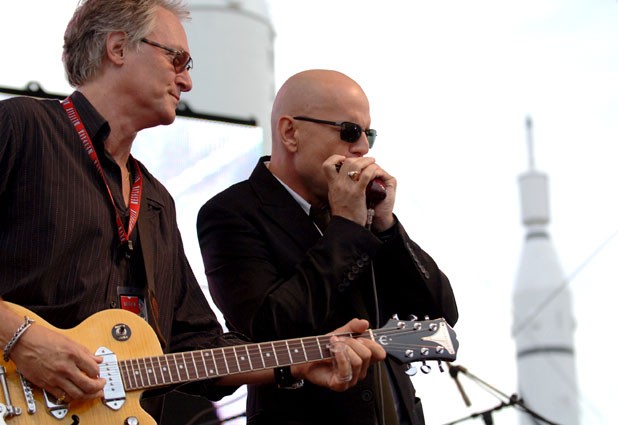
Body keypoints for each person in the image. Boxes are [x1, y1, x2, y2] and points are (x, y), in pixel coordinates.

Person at [0, 3, 386, 424]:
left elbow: (195, 345)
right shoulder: (21, 126)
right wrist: (21, 339)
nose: (186, 80)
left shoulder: (155, 201)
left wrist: (300, 359)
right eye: (177, 60)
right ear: (118, 48)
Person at [197, 69, 459, 425]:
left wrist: (386, 227)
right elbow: (270, 329)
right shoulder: (231, 213)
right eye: (349, 131)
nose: (363, 148)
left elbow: (439, 314)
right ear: (290, 133)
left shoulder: (362, 218)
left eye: (368, 134)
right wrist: (346, 228)